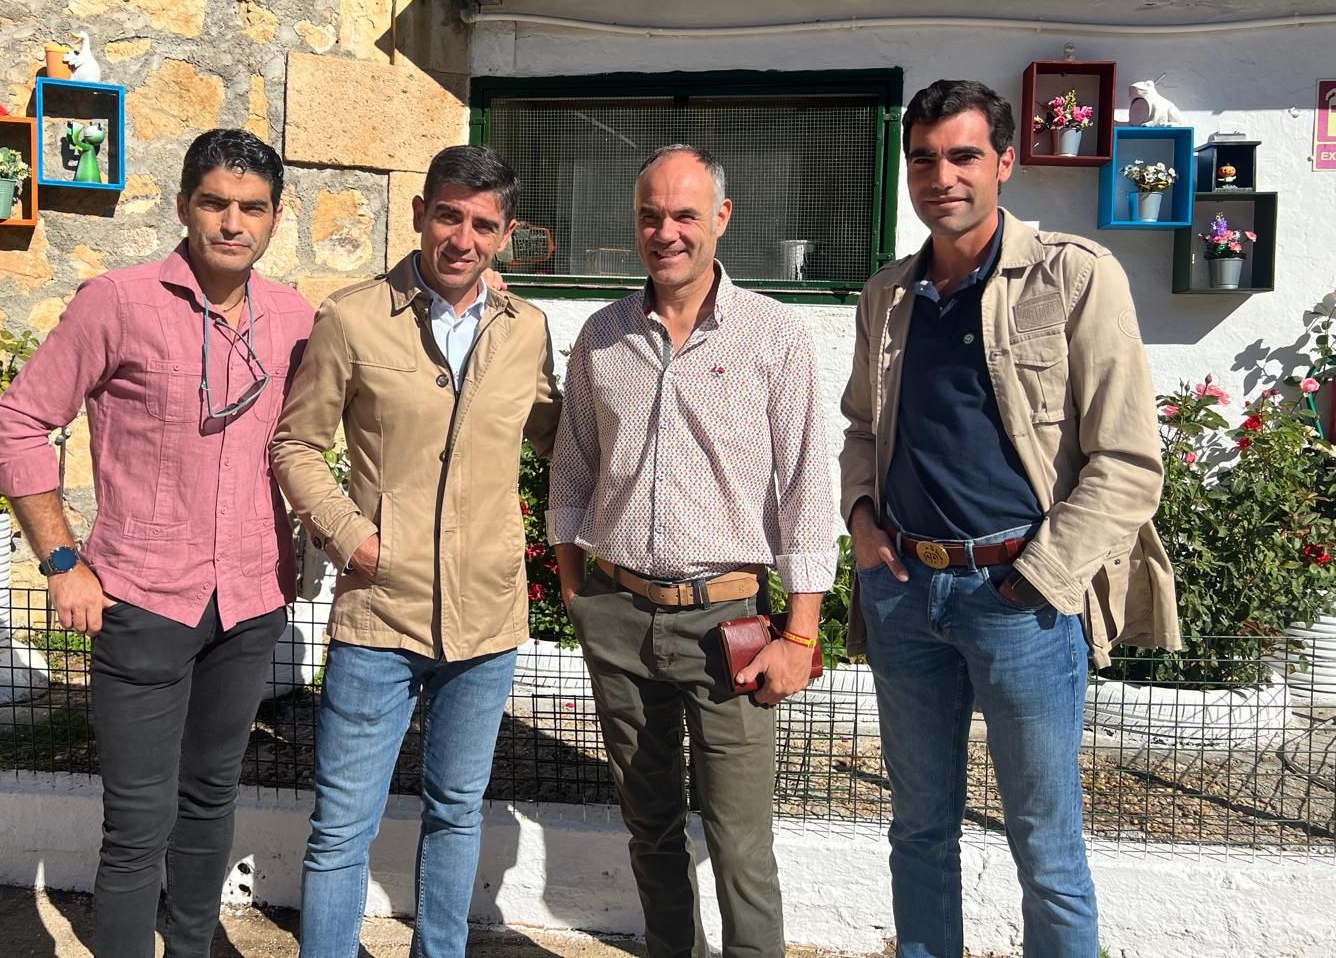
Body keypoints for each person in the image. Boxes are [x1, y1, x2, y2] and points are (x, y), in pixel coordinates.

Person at [839, 79, 1181, 958]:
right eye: (923, 159)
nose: (940, 176)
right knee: (918, 831)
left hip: (1022, 601)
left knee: (1046, 846)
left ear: (1004, 163)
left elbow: (1128, 462)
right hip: (906, 593)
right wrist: (863, 519)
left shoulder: (1075, 276)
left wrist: (1038, 574)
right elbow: (863, 428)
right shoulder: (889, 293)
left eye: (962, 156)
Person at [0, 129, 313, 958]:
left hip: (250, 601)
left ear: (275, 219)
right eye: (215, 203)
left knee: (211, 800)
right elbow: (19, 424)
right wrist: (63, 560)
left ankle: (193, 947)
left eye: (252, 208)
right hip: (140, 601)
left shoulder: (297, 320)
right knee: (137, 822)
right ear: (183, 206)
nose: (232, 223)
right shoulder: (118, 302)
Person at [271, 144, 562, 958]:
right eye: (448, 216)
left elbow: (560, 438)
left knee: (457, 811)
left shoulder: (526, 330)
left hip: (486, 618)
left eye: (482, 224)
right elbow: (297, 444)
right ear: (419, 214)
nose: (461, 238)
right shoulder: (353, 318)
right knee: (340, 827)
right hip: (378, 611)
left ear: (503, 235)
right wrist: (351, 535)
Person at [548, 144, 838, 958]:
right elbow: (571, 471)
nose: (665, 232)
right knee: (650, 832)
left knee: (742, 846)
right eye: (650, 215)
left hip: (731, 626)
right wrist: (579, 594)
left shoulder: (774, 335)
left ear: (721, 218)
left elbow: (808, 494)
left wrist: (802, 633)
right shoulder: (602, 336)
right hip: (619, 613)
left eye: (683, 214)